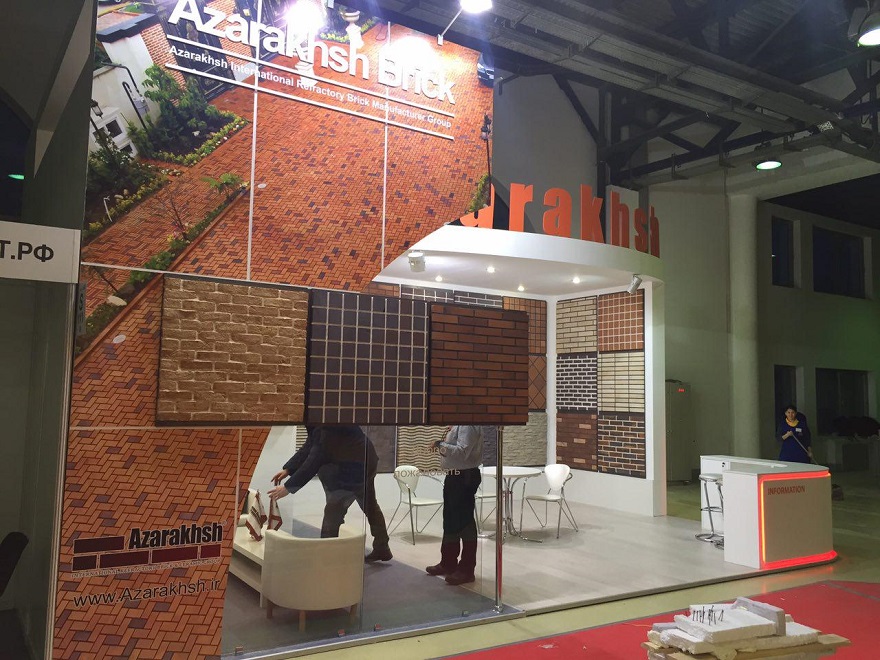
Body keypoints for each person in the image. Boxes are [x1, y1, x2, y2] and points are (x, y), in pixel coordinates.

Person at [268, 425, 392, 563]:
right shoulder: (321, 420)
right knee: (370, 506)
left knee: (333, 512)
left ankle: (326, 557)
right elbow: (310, 444)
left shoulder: (326, 424)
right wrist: (289, 469)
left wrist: (288, 487)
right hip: (361, 462)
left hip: (353, 468)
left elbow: (314, 460)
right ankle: (382, 547)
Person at [425, 425, 483, 586]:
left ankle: (466, 570)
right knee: (450, 520)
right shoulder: (459, 423)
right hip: (455, 475)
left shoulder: (468, 424)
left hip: (464, 476)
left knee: (464, 522)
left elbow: (462, 452)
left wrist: (440, 445)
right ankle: (448, 562)